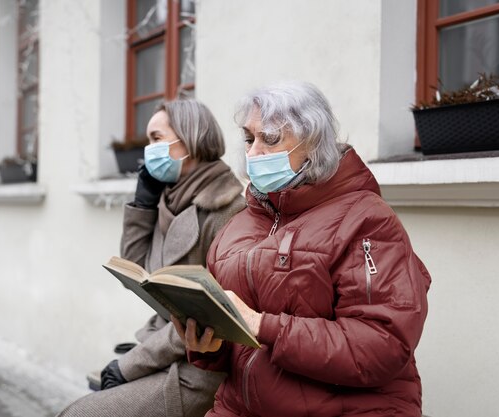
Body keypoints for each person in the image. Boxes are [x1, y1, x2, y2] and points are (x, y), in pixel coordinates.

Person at [172, 81, 432, 417]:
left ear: (312, 142)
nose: (253, 153)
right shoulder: (237, 226)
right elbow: (241, 353)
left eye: (271, 138)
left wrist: (261, 324)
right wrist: (207, 345)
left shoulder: (366, 219)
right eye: (250, 140)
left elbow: (382, 344)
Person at [58, 99, 246, 417]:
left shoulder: (228, 209)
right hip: (164, 348)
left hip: (199, 367)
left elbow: (208, 317)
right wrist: (143, 205)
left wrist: (130, 365)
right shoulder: (170, 199)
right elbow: (138, 273)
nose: (149, 149)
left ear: (190, 140)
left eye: (157, 138)